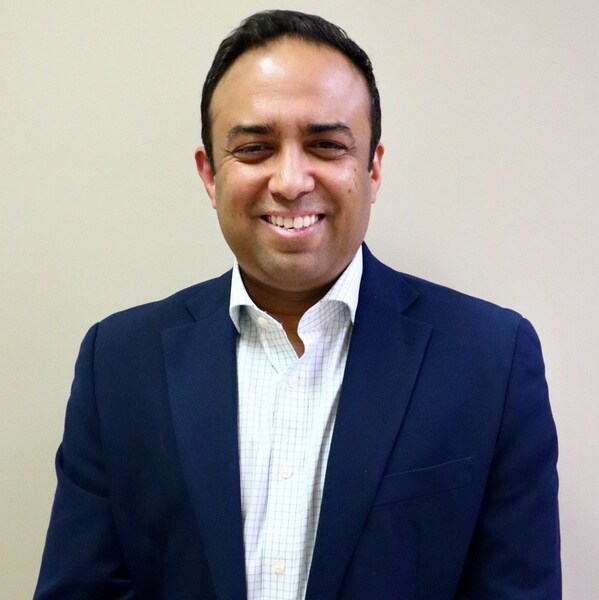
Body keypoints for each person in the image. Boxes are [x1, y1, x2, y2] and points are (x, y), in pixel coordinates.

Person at [34, 9, 561, 600]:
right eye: (255, 148)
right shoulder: (118, 363)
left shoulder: (491, 361)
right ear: (210, 174)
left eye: (326, 145)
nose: (290, 181)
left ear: (372, 168)